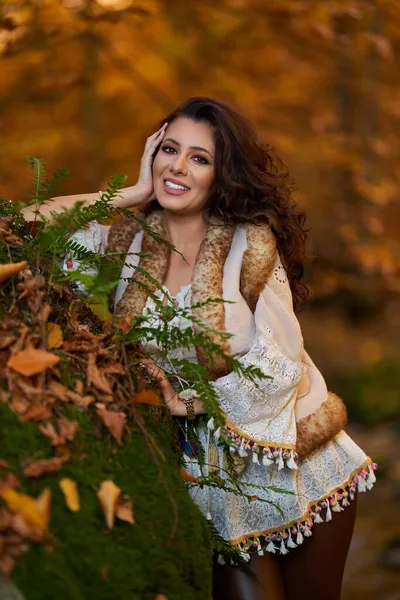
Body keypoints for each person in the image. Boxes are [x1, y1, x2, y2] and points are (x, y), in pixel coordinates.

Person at [23, 97, 377, 600]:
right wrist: (131, 192)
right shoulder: (123, 242)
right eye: (170, 149)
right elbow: (19, 230)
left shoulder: (248, 247)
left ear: (222, 174)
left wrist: (187, 402)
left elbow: (277, 367)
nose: (178, 167)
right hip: (211, 481)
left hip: (302, 464)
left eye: (199, 158)